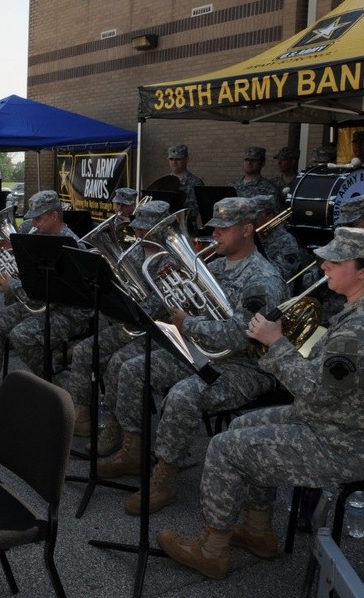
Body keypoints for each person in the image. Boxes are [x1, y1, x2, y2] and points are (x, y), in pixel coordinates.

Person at [158, 227, 364, 579]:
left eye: (336, 260)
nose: (323, 265)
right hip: (337, 421)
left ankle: (211, 549)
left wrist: (276, 343)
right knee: (240, 426)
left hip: (349, 442)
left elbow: (316, 390)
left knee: (224, 447)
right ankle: (258, 529)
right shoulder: (363, 310)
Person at [97, 197, 288, 516]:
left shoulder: (263, 280)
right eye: (215, 228)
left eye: (224, 229)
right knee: (134, 368)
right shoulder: (212, 264)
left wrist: (191, 323)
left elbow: (244, 335)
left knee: (182, 395)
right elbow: (195, 306)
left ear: (247, 229)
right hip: (205, 351)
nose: (216, 235)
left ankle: (164, 480)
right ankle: (133, 449)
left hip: (246, 365)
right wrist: (172, 286)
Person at [63, 199, 170, 438]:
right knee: (84, 351)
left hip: (159, 331)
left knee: (118, 363)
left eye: (146, 228)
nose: (139, 232)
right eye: (138, 226)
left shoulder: (171, 258)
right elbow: (120, 285)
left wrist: (120, 307)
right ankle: (81, 416)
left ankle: (116, 428)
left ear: (162, 228)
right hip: (130, 324)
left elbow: (157, 308)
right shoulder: (136, 251)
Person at [0, 190, 91, 402]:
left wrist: (12, 284)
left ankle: (53, 389)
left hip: (69, 312)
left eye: (39, 218)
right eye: (32, 218)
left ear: (54, 216)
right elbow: (35, 286)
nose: (33, 223)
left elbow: (50, 290)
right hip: (40, 305)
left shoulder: (71, 245)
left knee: (22, 335)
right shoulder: (38, 239)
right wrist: (16, 255)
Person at [252, 194, 302, 281]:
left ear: (270, 217)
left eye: (257, 214)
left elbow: (283, 273)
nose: (252, 218)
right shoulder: (249, 234)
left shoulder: (286, 240)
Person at [166, 145, 205, 232]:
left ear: (186, 159)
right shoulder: (163, 182)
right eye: (171, 159)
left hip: (187, 230)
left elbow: (195, 209)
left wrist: (181, 214)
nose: (174, 162)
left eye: (178, 159)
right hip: (167, 231)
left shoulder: (196, 182)